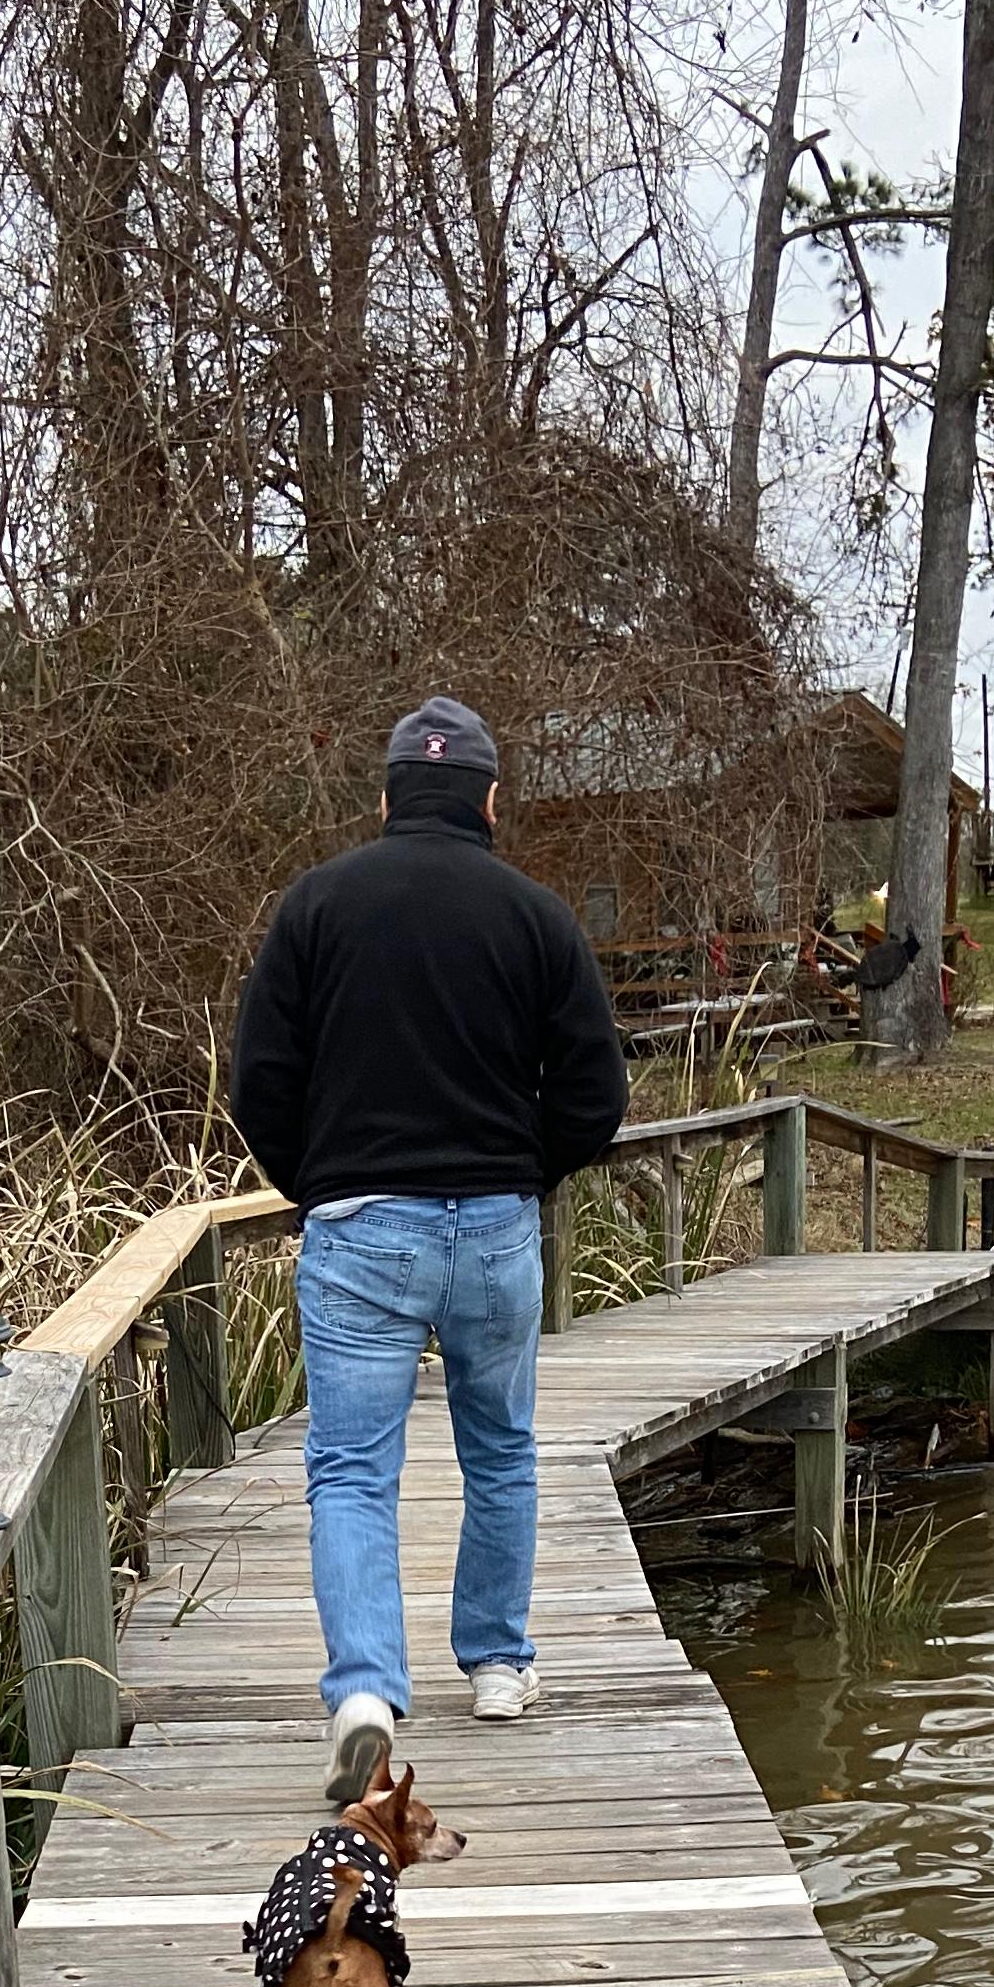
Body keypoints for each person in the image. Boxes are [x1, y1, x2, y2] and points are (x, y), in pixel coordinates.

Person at [232, 693, 629, 1803]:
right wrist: (525, 1171)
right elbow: (597, 1092)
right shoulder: (537, 917)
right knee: (499, 1448)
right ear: (492, 801)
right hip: (494, 1226)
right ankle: (498, 1665)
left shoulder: (317, 906)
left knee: (354, 1471)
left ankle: (365, 1690)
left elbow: (259, 1076)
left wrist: (317, 1182)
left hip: (360, 1228)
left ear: (388, 796)